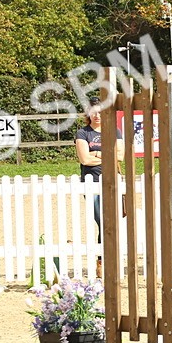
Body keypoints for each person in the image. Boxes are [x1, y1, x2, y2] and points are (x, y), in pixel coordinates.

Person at [76, 100, 106, 245]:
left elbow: (119, 156)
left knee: (111, 221)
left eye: (100, 112)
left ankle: (104, 256)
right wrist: (105, 156)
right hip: (91, 182)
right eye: (93, 112)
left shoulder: (112, 132)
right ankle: (102, 258)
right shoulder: (82, 133)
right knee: (102, 221)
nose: (97, 115)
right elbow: (85, 160)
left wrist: (95, 153)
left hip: (110, 182)